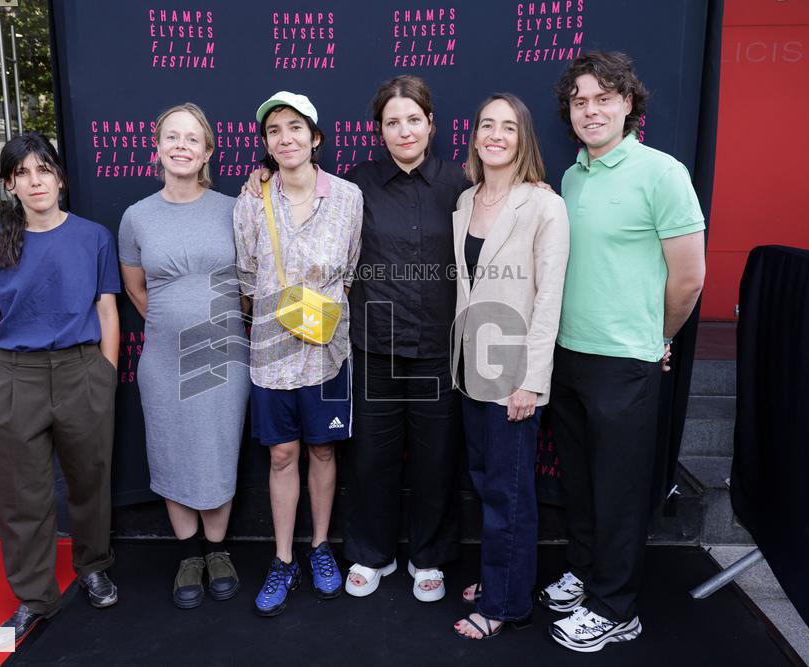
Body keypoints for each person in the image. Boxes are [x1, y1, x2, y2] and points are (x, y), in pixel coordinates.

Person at [244, 75, 470, 602]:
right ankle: (371, 553)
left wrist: (534, 189)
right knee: (371, 458)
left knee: (437, 459)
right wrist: (262, 180)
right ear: (379, 130)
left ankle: (430, 557)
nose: (404, 130)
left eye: (414, 119)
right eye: (393, 121)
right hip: (371, 346)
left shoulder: (460, 185)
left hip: (439, 347)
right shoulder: (354, 185)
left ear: (431, 124)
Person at [540, 51, 706, 652]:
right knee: (581, 486)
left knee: (619, 492)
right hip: (569, 354)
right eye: (580, 101)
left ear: (629, 103)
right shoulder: (573, 177)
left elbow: (689, 278)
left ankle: (617, 609)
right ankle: (587, 577)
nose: (592, 110)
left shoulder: (664, 173)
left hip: (625, 362)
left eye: (604, 97)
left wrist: (655, 339)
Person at [0, 132, 121, 645]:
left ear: (60, 176)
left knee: (90, 481)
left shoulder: (93, 237)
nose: (35, 180)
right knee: (21, 495)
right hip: (15, 377)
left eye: (43, 169)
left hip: (80, 372)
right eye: (22, 173)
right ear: (9, 185)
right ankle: (34, 596)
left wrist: (105, 373)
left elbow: (107, 309)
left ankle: (92, 567)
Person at [233, 91, 363, 616]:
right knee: (282, 455)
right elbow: (246, 274)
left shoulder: (349, 197)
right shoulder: (251, 200)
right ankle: (283, 559)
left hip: (329, 351)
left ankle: (320, 548)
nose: (285, 138)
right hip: (270, 352)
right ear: (266, 144)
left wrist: (317, 314)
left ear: (315, 137)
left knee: (324, 452)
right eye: (274, 131)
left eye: (294, 128)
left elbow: (350, 270)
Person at [118, 103, 250, 609]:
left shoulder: (233, 208)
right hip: (164, 360)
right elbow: (136, 289)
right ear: (157, 148)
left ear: (208, 151)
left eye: (192, 139)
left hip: (224, 354)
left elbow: (249, 285)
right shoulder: (137, 217)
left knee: (217, 447)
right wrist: (177, 323)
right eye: (171, 137)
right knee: (171, 448)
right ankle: (188, 555)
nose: (181, 146)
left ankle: (218, 552)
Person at [450, 93, 570, 639]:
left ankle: (504, 604)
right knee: (484, 482)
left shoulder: (544, 204)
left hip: (514, 378)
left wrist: (531, 380)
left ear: (523, 138)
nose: (495, 135)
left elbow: (549, 299)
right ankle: (501, 577)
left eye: (508, 127)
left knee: (510, 494)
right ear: (474, 136)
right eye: (485, 125)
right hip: (470, 370)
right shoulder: (464, 201)